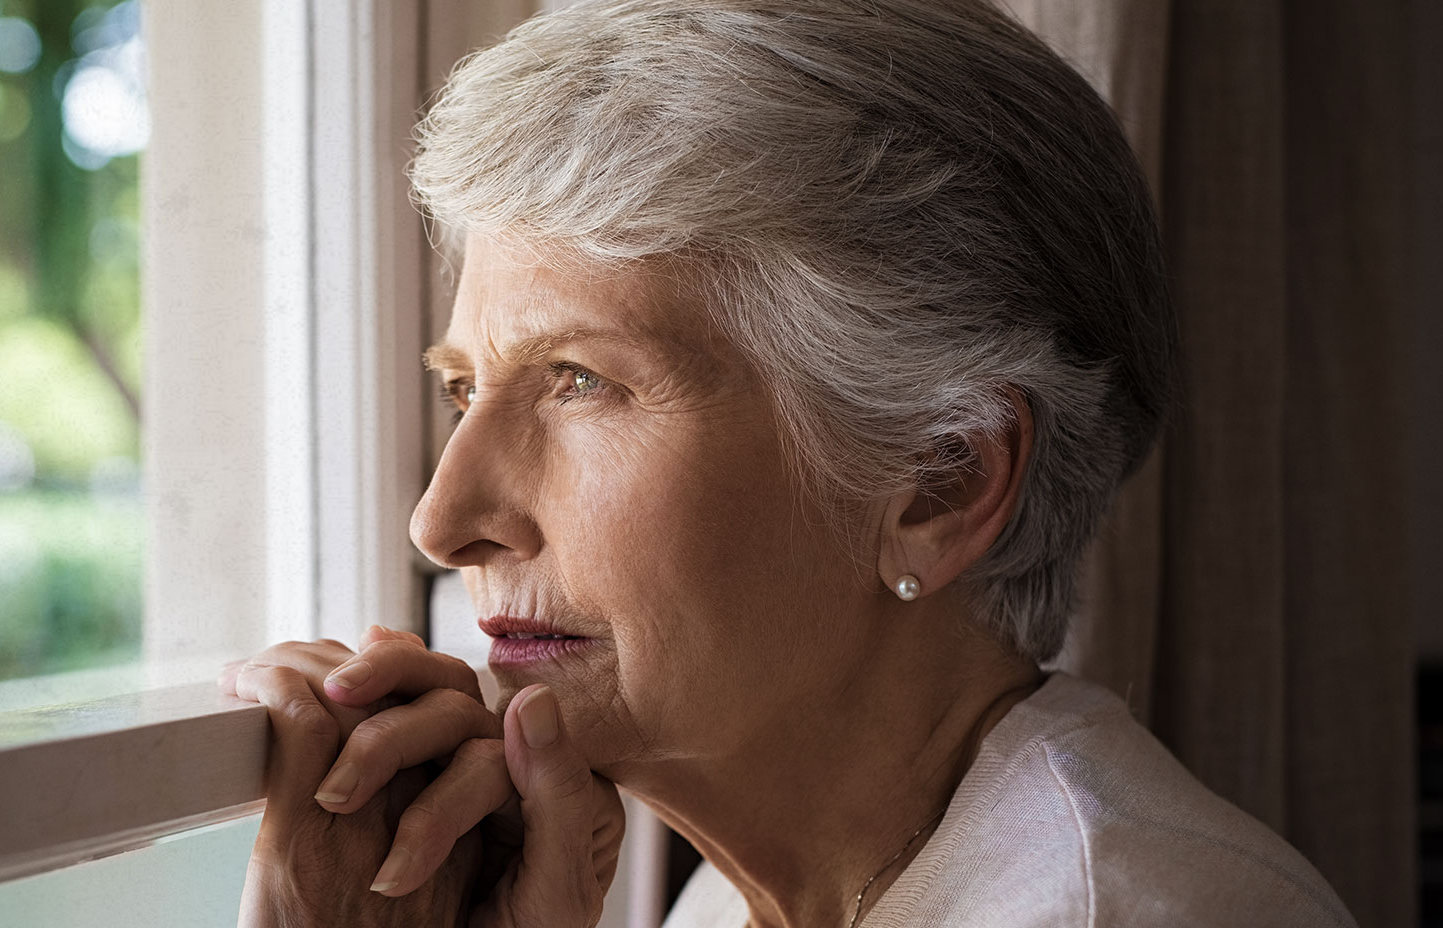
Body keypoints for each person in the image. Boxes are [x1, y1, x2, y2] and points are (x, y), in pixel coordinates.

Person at [223, 1, 1358, 925]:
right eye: (463, 389)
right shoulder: (749, 898)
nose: (442, 518)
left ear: (939, 480)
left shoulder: (1118, 912)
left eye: (581, 382)